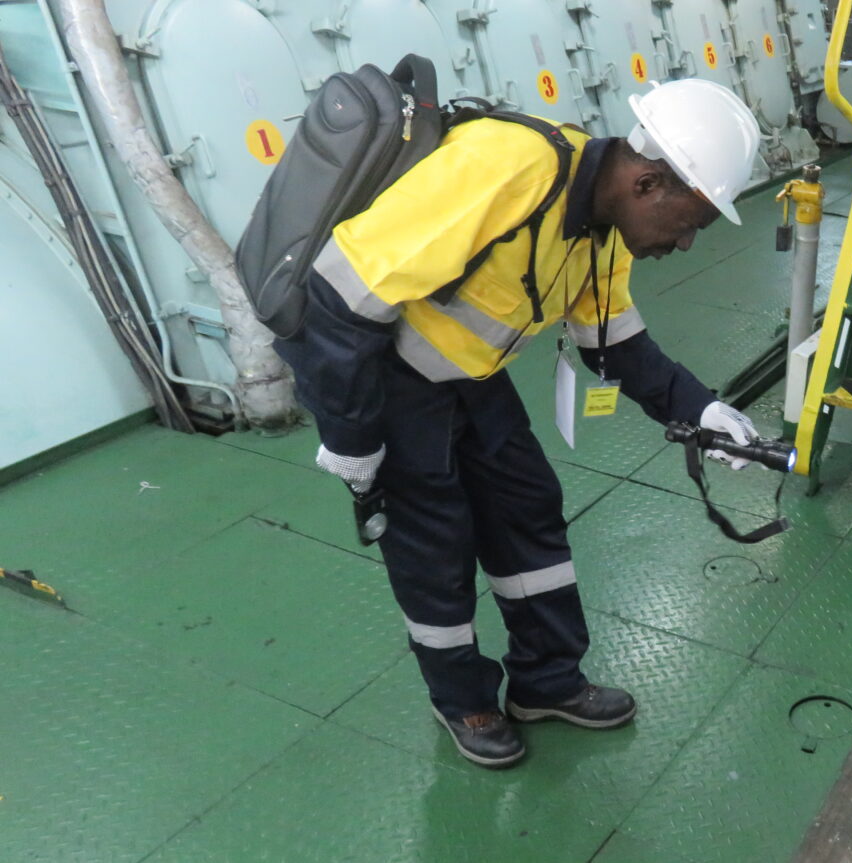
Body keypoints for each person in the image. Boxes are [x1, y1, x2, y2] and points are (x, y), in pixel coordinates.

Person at [274, 79, 765, 768]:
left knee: (527, 508)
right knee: (434, 545)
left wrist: (702, 410)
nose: (685, 243)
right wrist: (351, 439)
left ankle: (547, 681)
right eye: (691, 223)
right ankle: (463, 701)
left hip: (472, 376)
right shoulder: (507, 167)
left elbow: (614, 342)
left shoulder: (603, 227)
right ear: (649, 183)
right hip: (388, 375)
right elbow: (338, 295)